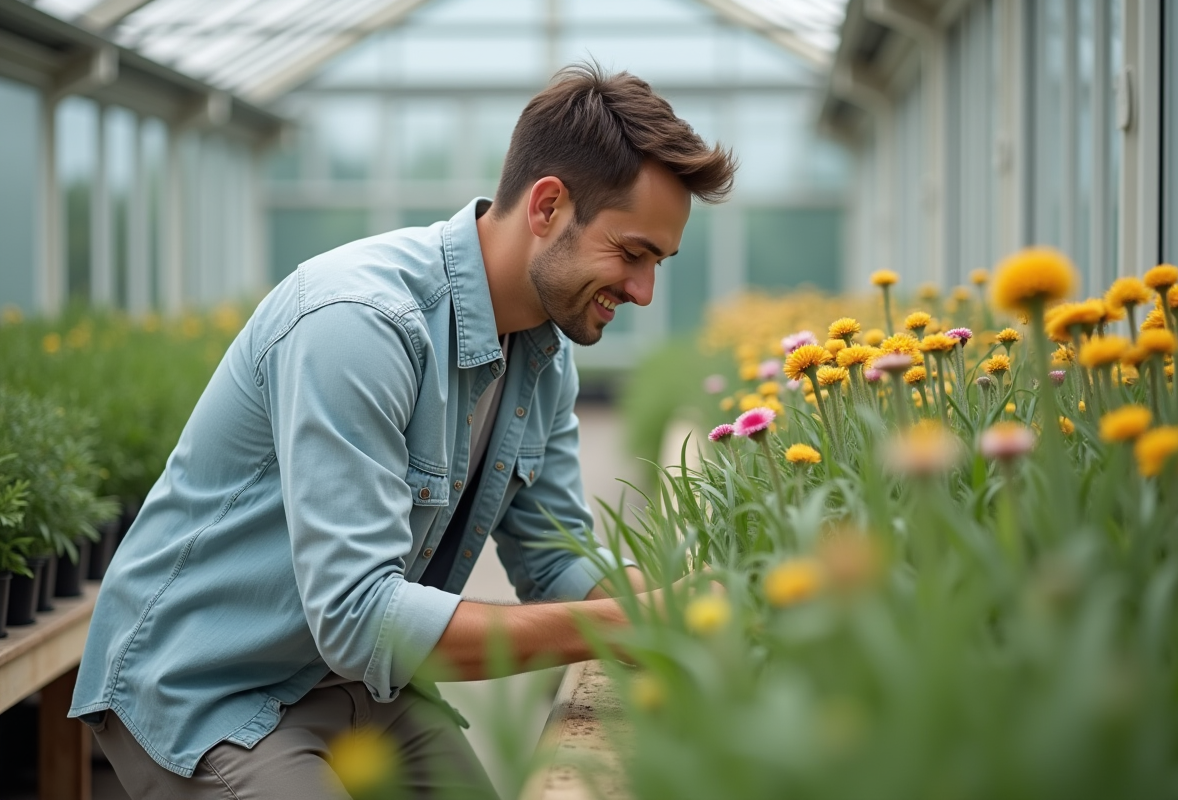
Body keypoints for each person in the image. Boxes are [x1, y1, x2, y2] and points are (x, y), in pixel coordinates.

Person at [69, 63, 736, 799]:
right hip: (208, 689)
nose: (643, 291)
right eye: (632, 252)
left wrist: (697, 602)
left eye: (658, 264)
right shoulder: (359, 323)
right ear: (548, 205)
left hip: (358, 683)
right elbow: (359, 616)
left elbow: (553, 559)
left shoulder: (545, 354)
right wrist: (620, 625)